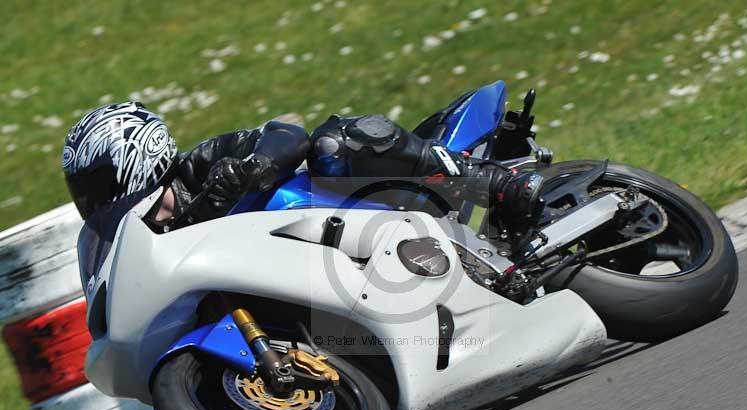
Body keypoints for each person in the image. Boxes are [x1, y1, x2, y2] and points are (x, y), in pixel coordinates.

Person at [62, 101, 543, 230]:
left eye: (95, 185)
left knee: (332, 144)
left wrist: (251, 170)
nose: (93, 200)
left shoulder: (203, 162)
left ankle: (494, 183)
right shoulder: (149, 242)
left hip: (353, 209)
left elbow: (288, 134)